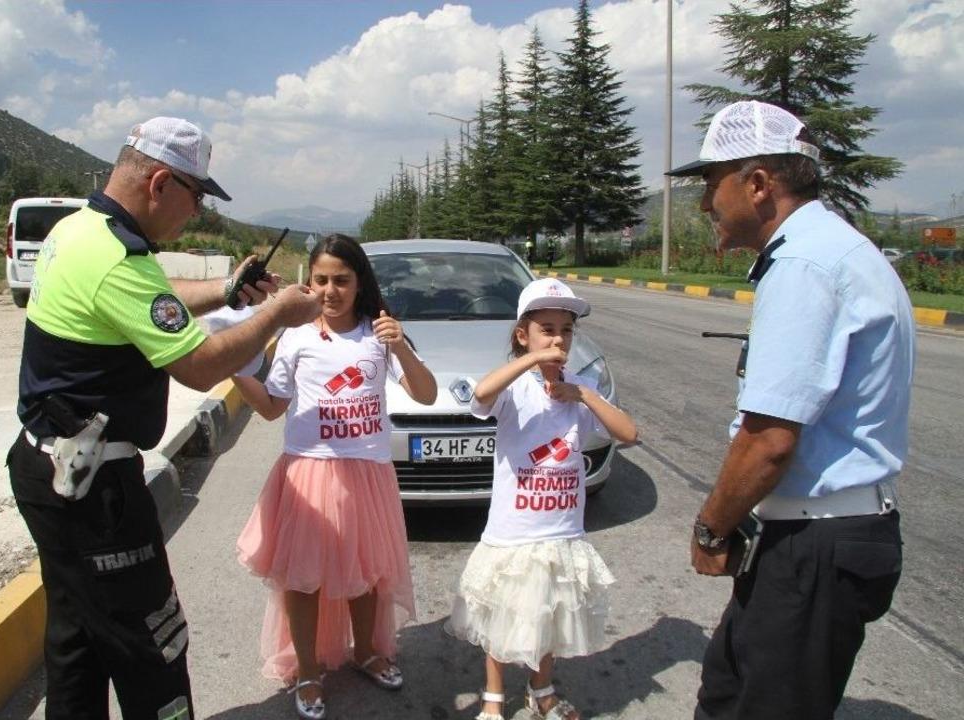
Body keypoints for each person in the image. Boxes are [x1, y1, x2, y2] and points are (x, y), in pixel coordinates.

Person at [7, 116, 321, 720]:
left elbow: (150, 296)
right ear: (159, 183)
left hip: (48, 468)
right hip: (94, 491)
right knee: (153, 642)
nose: (198, 211)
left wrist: (230, 290)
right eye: (196, 195)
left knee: (77, 642)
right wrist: (277, 313)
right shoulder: (116, 258)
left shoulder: (83, 230)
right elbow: (200, 366)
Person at [667, 101, 915, 719]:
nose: (704, 206)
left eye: (709, 184)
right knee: (728, 690)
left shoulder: (804, 266)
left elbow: (768, 440)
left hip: (815, 545)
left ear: (757, 184)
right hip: (814, 538)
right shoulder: (831, 250)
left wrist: (711, 528)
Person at [234, 233, 437, 720]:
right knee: (303, 581)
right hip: (309, 474)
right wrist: (234, 370)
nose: (330, 290)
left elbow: (426, 394)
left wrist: (401, 347)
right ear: (309, 282)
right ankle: (307, 670)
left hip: (368, 477)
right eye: (321, 279)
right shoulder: (297, 337)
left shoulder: (379, 332)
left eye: (342, 280)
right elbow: (270, 408)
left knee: (367, 574)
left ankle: (366, 651)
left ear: (359, 282)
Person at [446, 278, 637, 720]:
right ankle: (494, 698)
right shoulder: (516, 388)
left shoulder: (577, 390)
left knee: (549, 619)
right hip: (514, 533)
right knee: (502, 616)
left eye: (566, 330)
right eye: (546, 328)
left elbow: (628, 434)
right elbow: (481, 395)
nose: (557, 338)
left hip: (562, 533)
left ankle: (541, 689)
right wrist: (531, 361)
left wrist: (582, 393)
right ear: (522, 334)